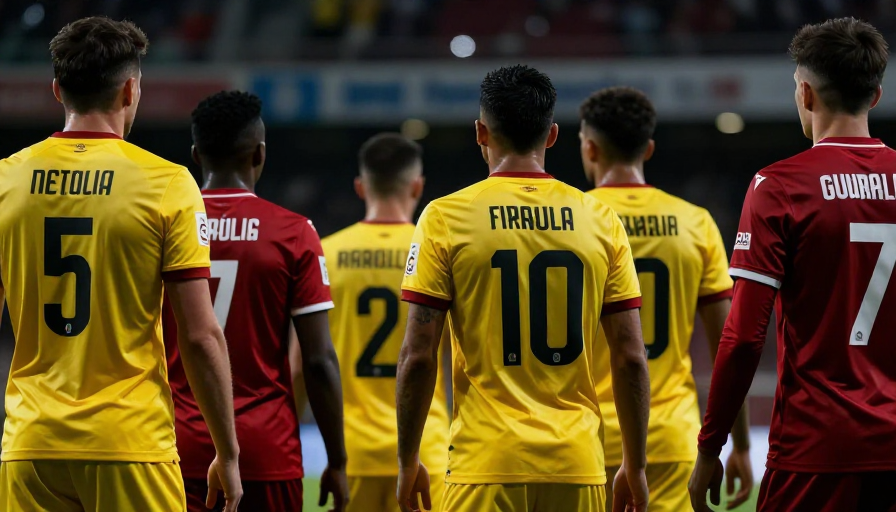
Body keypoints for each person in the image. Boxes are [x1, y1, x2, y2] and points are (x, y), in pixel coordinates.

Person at [0, 17, 242, 512]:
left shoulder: (6, 179)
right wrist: (228, 451)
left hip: (31, 444)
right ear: (130, 90)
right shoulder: (167, 183)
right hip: (130, 443)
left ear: (57, 90)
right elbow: (200, 336)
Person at [394, 64, 652, 512]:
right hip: (577, 465)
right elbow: (630, 356)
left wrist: (407, 460)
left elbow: (418, 356)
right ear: (551, 135)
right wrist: (635, 463)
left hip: (485, 465)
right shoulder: (600, 219)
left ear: (481, 132)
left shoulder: (445, 217)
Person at [689, 17, 896, 512]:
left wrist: (711, 445)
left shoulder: (779, 186)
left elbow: (744, 337)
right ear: (875, 96)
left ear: (805, 94)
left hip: (815, 450)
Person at [164, 90, 349, 512]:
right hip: (266, 451)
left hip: (176, 448)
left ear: (196, 156)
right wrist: (336, 461)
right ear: (259, 154)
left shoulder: (163, 228)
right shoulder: (293, 232)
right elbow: (318, 360)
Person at [579, 87, 752, 512]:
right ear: (649, 149)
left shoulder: (572, 222)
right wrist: (741, 445)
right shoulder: (696, 222)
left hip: (589, 440)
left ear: (590, 148)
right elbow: (728, 344)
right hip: (673, 438)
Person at [322, 133, 450, 512]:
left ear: (361, 187)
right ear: (417, 186)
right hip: (425, 449)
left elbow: (303, 363)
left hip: (351, 450)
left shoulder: (325, 253)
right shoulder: (437, 252)